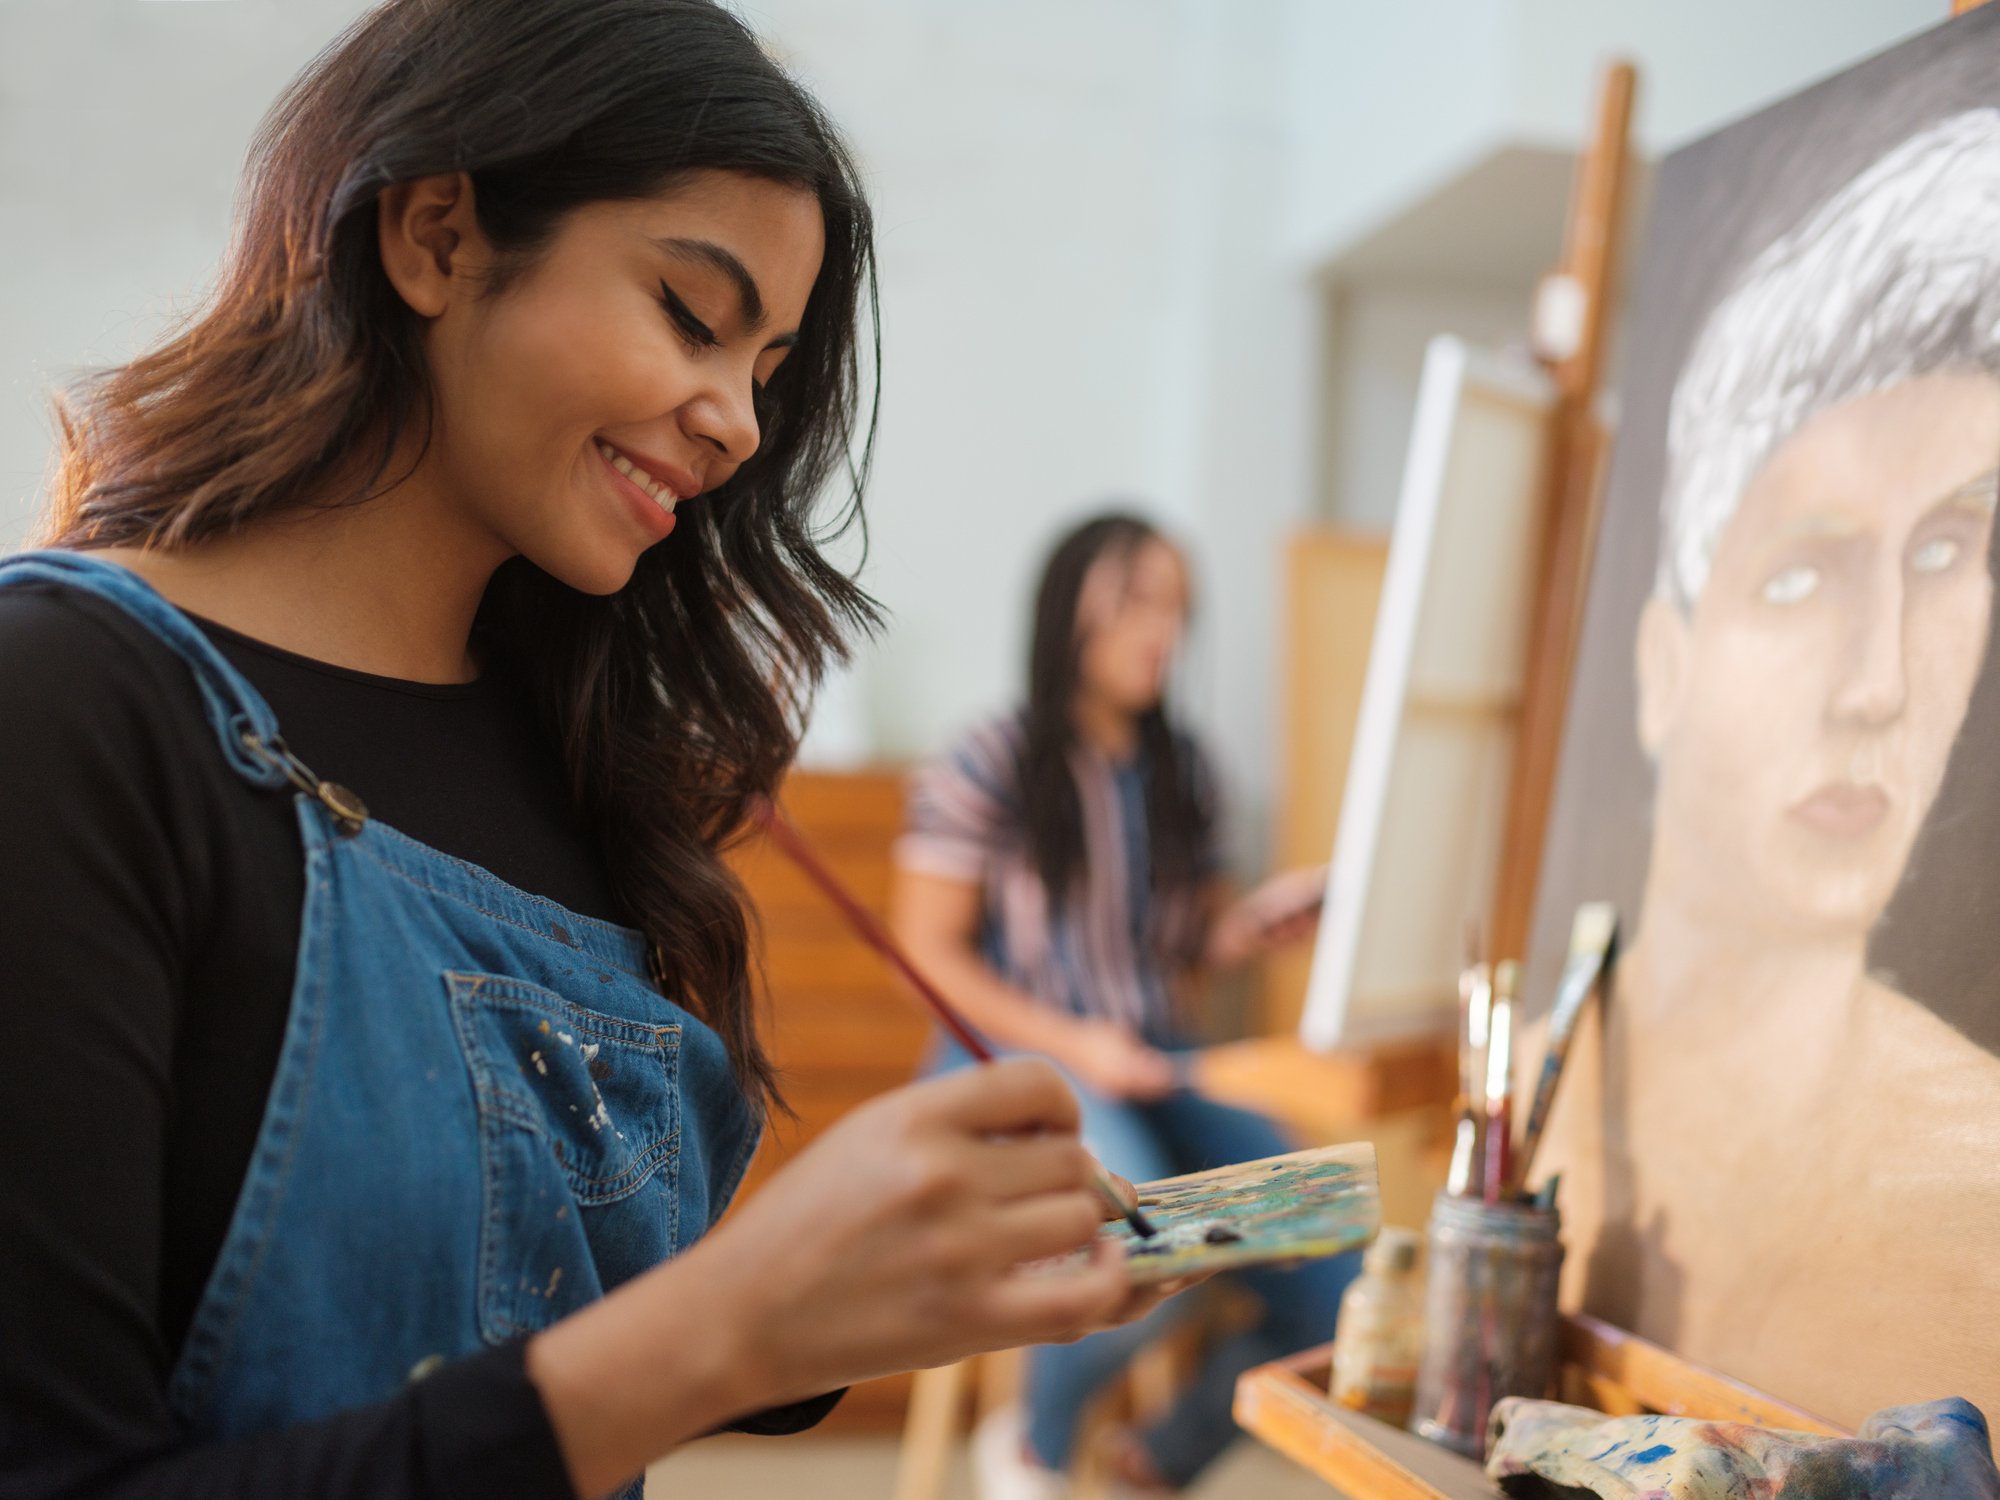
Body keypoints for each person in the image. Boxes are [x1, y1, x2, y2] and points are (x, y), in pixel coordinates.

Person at [0, 6, 1187, 1498]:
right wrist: (727, 1324)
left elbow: (546, 1306)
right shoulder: (67, 709)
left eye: (768, 366)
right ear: (435, 236)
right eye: (695, 315)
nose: (743, 424)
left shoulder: (573, 757)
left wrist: (865, 1280)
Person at [1544, 109, 2000, 1428]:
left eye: (1943, 557)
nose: (1881, 683)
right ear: (1660, 663)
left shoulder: (1973, 1175)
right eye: (1801, 574)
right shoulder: (1549, 1081)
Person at [891, 513, 1352, 1497]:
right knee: (1135, 1223)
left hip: (1149, 1058)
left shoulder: (1183, 772)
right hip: (1011, 1063)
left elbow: (1180, 944)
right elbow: (923, 956)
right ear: (1070, 608)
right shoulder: (990, 758)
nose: (1161, 631)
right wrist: (1074, 1044)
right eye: (1136, 601)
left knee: (1327, 1236)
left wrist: (1246, 928)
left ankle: (1156, 1460)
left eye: (1176, 609)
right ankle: (1036, 1445)